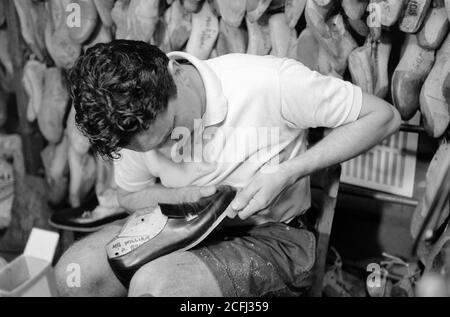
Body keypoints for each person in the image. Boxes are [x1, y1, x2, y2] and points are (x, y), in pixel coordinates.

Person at [55, 40, 401, 297]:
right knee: (75, 273)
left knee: (155, 289)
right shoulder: (127, 120)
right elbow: (129, 194)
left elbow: (383, 117)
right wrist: (183, 195)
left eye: (169, 130)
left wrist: (288, 172)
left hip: (275, 236)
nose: (169, 148)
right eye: (152, 148)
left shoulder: (267, 81)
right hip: (177, 224)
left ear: (176, 75)